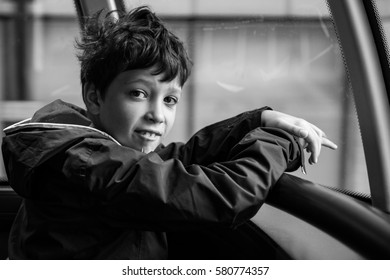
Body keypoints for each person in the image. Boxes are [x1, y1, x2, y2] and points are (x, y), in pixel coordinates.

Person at [1, 6, 336, 259]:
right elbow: (220, 198)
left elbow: (177, 157)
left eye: (170, 99)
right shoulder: (88, 166)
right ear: (94, 96)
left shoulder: (91, 145)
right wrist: (280, 144)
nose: (157, 115)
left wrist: (259, 120)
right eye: (138, 94)